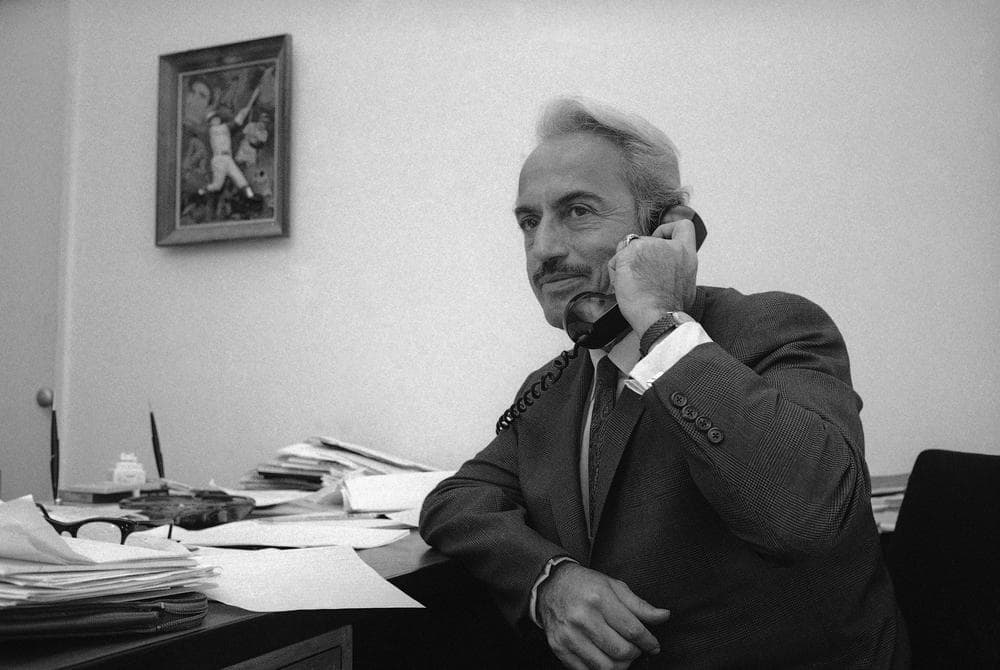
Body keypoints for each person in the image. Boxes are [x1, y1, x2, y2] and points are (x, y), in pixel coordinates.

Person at [419, 97, 909, 669]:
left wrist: (660, 321)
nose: (545, 249)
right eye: (530, 222)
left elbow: (809, 517)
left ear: (661, 228)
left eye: (577, 211)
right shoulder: (557, 387)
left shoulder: (775, 328)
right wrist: (550, 580)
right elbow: (456, 502)